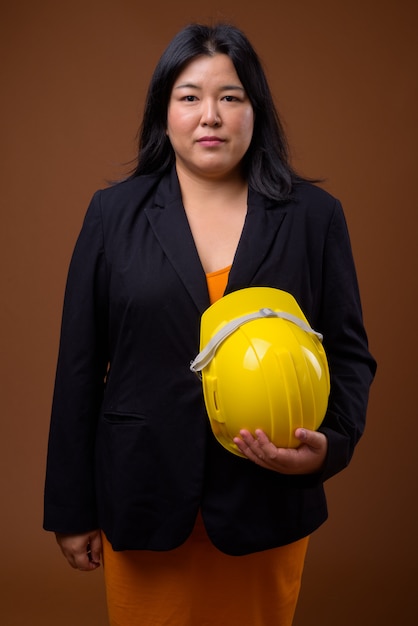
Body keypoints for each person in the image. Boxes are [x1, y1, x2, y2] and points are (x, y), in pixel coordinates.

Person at [43, 22, 376, 626]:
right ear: (163, 112)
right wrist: (71, 508)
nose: (211, 115)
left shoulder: (314, 218)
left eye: (231, 96)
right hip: (141, 497)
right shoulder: (112, 214)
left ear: (256, 109)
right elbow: (79, 365)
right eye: (190, 96)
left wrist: (329, 447)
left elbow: (350, 355)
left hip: (264, 502)